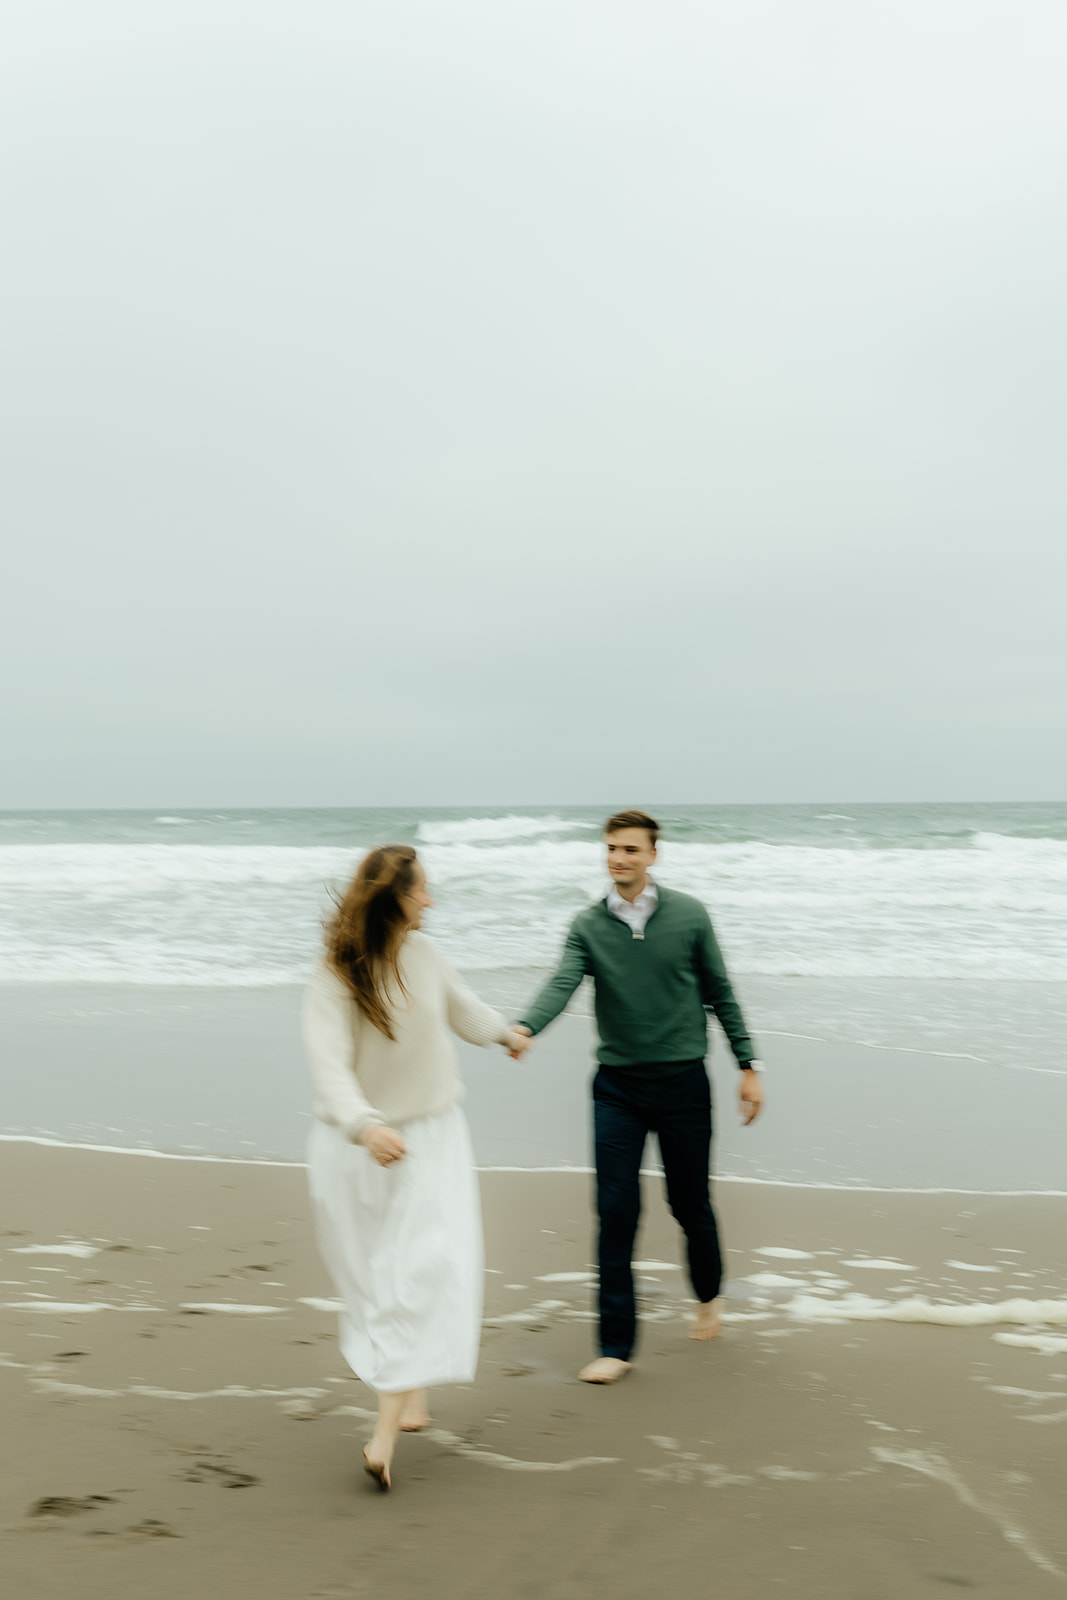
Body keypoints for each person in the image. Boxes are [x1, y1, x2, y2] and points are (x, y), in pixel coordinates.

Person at [303, 844, 530, 1490]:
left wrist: (506, 1035)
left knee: (426, 1268)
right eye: (421, 889)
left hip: (430, 1138)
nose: (430, 900)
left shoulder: (426, 956)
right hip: (356, 1149)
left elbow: (463, 1010)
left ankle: (382, 1437)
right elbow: (329, 1068)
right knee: (379, 1284)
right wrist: (366, 1126)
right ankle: (410, 1388)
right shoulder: (335, 974)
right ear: (392, 898)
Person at [512, 810, 763, 1384]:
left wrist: (749, 1065)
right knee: (616, 1213)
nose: (618, 858)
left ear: (652, 855)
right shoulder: (587, 926)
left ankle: (707, 1295)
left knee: (689, 1204)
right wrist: (526, 1027)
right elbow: (562, 982)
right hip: (617, 1088)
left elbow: (721, 993)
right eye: (611, 849)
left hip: (682, 1085)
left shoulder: (690, 916)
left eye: (629, 849)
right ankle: (615, 1347)